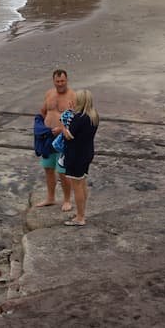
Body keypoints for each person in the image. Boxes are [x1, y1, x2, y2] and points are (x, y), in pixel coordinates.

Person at [36, 69, 76, 211]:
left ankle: (66, 200)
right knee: (48, 168)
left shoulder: (73, 96)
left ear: (67, 80)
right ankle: (50, 198)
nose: (60, 84)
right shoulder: (49, 93)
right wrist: (41, 126)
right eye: (57, 81)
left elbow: (76, 118)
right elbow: (43, 111)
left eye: (62, 81)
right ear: (53, 81)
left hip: (62, 138)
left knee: (62, 170)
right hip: (47, 137)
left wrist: (61, 128)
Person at [61, 89, 100, 226]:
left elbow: (69, 135)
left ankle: (80, 217)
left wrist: (63, 125)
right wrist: (72, 112)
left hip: (75, 155)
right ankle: (82, 212)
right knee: (82, 182)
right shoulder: (94, 116)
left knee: (76, 185)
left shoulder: (79, 118)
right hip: (87, 152)